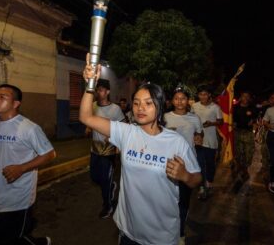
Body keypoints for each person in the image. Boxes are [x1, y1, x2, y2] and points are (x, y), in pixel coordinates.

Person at [80, 59, 201, 245]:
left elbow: (196, 179)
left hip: (161, 235)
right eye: (136, 103)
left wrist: (184, 175)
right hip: (128, 230)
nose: (140, 108)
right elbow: (86, 117)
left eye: (148, 103)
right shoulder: (126, 132)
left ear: (159, 106)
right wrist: (90, 85)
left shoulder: (176, 142)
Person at [0, 84, 55, 245]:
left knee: (10, 239)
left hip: (18, 196)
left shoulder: (29, 128)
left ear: (15, 104)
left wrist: (22, 168)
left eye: (2, 97)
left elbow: (49, 154)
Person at [164, 87, 203, 243]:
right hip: (167, 165)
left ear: (188, 101)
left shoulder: (195, 118)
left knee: (183, 201)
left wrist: (199, 137)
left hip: (188, 166)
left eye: (183, 98)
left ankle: (180, 233)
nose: (179, 101)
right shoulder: (165, 117)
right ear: (172, 101)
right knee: (167, 201)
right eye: (176, 98)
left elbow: (199, 133)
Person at [88, 79, 125, 219]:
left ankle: (107, 206)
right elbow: (89, 120)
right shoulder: (92, 106)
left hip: (109, 150)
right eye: (97, 89)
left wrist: (117, 142)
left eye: (102, 90)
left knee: (104, 180)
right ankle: (111, 186)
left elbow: (123, 127)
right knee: (94, 177)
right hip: (95, 148)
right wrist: (88, 127)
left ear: (108, 92)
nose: (99, 92)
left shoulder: (115, 109)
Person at [192, 85, 224, 199]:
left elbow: (221, 121)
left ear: (209, 95)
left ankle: (209, 182)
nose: (203, 96)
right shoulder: (194, 106)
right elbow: (190, 119)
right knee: (200, 163)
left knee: (210, 163)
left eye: (205, 94)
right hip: (198, 140)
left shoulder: (215, 107)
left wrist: (211, 123)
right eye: (201, 94)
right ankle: (202, 186)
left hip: (211, 140)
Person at [232, 91, 258, 182]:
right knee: (238, 152)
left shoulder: (253, 107)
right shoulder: (235, 107)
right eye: (244, 96)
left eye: (247, 96)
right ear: (241, 97)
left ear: (249, 98)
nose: (245, 98)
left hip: (248, 133)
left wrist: (253, 121)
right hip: (237, 132)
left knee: (248, 152)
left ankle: (245, 169)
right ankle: (238, 167)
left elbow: (256, 117)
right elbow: (232, 118)